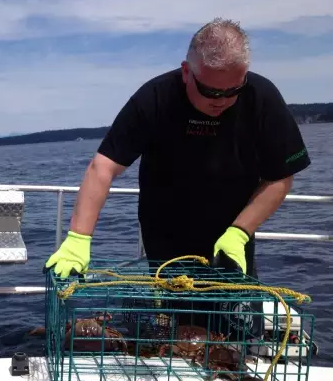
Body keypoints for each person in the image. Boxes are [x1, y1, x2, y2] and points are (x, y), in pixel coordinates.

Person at [45, 17, 311, 338]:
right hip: (166, 241)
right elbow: (103, 167)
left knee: (236, 335)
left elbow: (280, 177)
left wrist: (239, 233)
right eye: (210, 90)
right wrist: (78, 239)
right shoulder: (155, 98)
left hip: (230, 240)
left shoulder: (262, 97)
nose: (221, 100)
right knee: (171, 333)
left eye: (233, 91)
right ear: (187, 71)